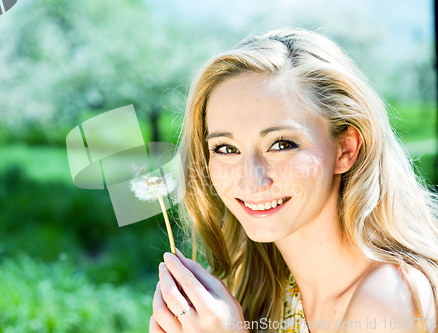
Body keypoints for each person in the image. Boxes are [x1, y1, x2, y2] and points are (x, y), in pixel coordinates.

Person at [149, 28, 438, 333]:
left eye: (282, 144)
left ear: (346, 148)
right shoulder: (258, 292)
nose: (251, 182)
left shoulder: (388, 301)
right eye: (226, 149)